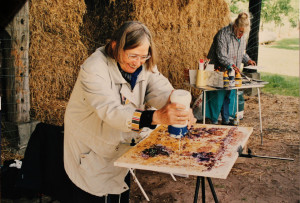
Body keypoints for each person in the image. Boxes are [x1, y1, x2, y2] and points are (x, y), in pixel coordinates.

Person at [63, 21, 196, 203]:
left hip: (119, 144)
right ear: (115, 46)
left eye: (143, 57)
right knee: (94, 194)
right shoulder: (94, 68)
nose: (138, 62)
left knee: (117, 191)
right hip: (91, 147)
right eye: (133, 56)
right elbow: (112, 111)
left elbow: (158, 86)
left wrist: (176, 103)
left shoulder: (143, 62)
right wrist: (156, 117)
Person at [206, 12, 256, 125]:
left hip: (232, 72)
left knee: (229, 96)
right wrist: (231, 65)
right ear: (235, 27)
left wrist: (247, 60)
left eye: (244, 32)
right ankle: (213, 121)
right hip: (219, 71)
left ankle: (226, 120)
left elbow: (240, 53)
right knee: (217, 97)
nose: (242, 35)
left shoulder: (241, 37)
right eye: (241, 31)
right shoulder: (222, 34)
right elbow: (221, 55)